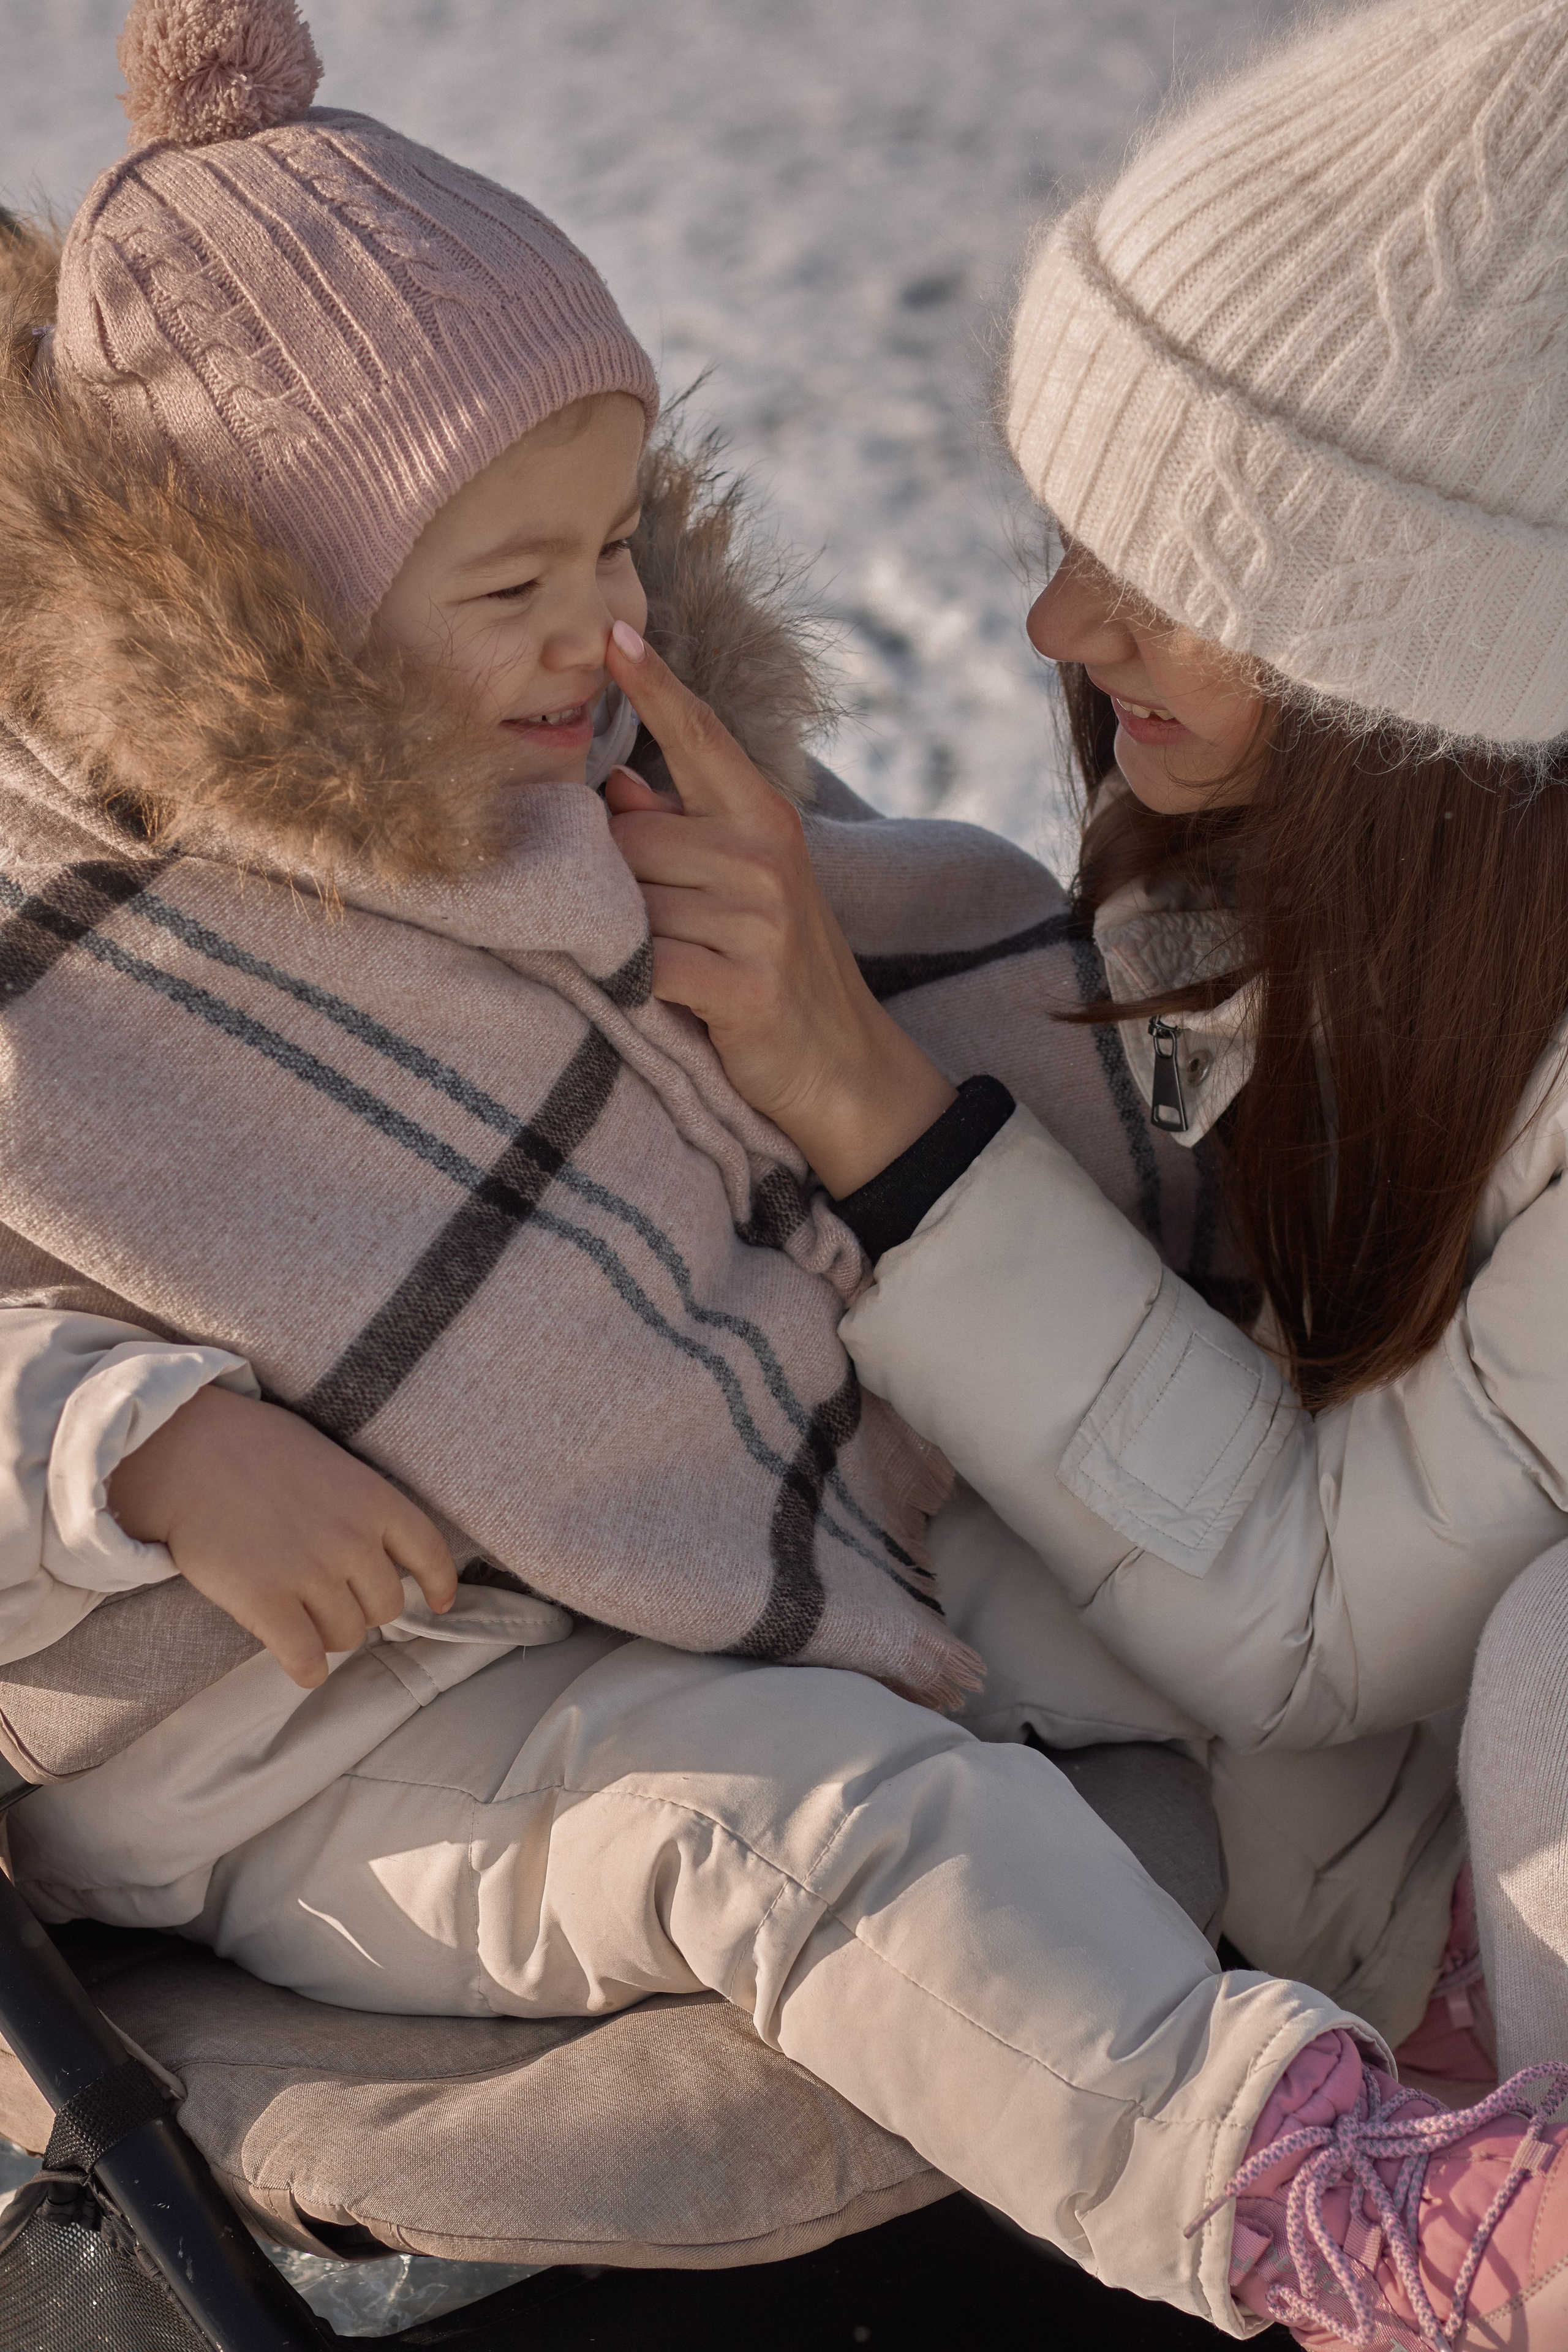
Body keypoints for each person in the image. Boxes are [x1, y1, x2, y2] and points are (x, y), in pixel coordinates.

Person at [2, 1, 1565, 2345]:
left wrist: (842, 1049)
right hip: (293, 1729)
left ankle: (1395, 2088)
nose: (604, 631)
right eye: (508, 582)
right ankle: (1315, 2206)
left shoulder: (568, 787)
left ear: (1415, 663)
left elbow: (1282, 1578)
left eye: (608, 550)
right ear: (283, 605)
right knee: (826, 1817)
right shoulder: (77, 948)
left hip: (623, 1606)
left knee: (1198, 1658)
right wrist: (136, 1448)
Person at [598, 0, 1568, 2339]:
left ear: (1419, 646)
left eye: (1161, 571)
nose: (1051, 627)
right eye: (1064, 527)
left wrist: (866, 1100)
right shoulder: (1335, 871)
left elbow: (1326, 1615)